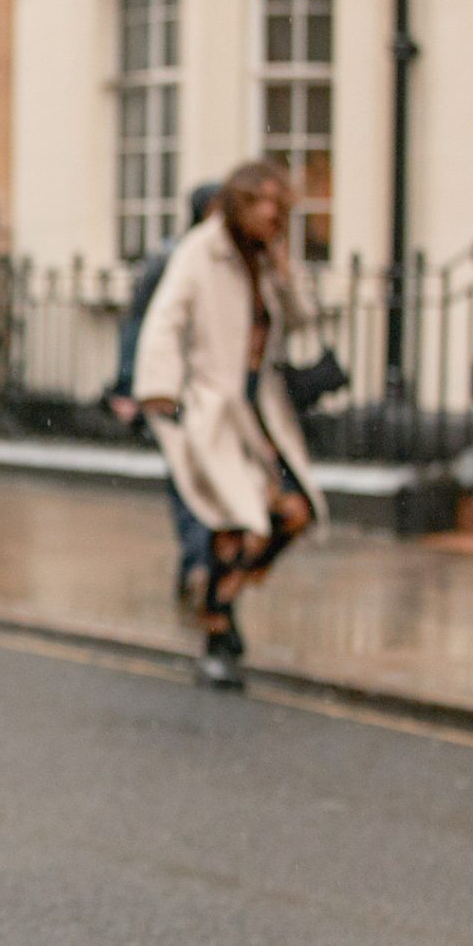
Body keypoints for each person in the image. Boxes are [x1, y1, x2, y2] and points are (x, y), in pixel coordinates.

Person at [135, 159, 325, 689]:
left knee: (296, 512)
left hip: (261, 409)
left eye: (279, 210)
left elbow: (307, 319)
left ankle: (219, 603)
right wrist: (159, 393)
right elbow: (165, 320)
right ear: (241, 206)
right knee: (237, 524)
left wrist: (285, 271)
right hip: (212, 406)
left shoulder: (266, 261)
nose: (272, 218)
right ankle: (218, 637)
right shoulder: (203, 250)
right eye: (263, 207)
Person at [104, 182, 220, 604]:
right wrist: (130, 384)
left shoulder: (224, 263)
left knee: (209, 479)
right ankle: (199, 564)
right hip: (173, 390)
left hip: (212, 391)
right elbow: (139, 324)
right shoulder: (175, 259)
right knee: (187, 477)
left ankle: (203, 566)